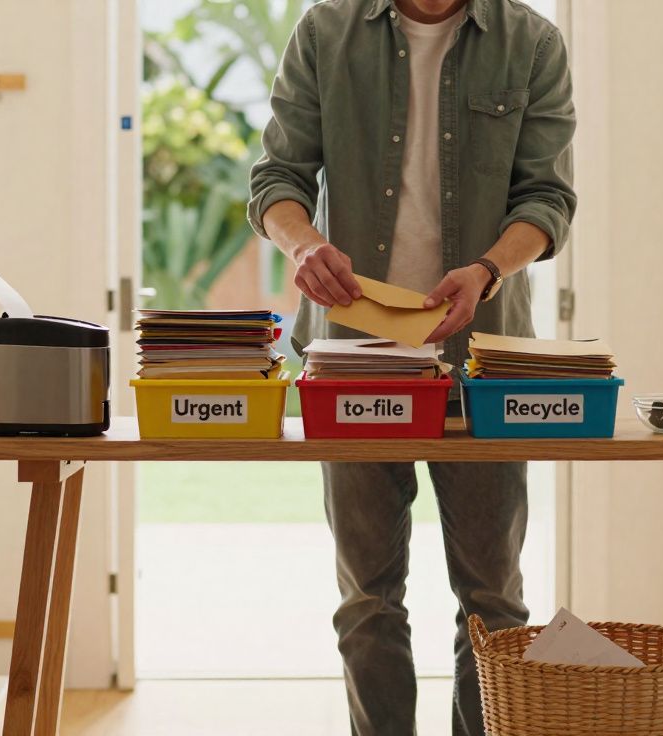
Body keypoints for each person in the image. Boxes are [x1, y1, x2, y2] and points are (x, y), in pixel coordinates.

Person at [248, 0, 575, 733]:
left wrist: (488, 270)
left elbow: (548, 198)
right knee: (367, 600)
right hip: (351, 365)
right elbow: (276, 179)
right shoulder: (324, 32)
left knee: (494, 603)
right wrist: (303, 245)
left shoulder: (531, 42)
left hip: (482, 368)